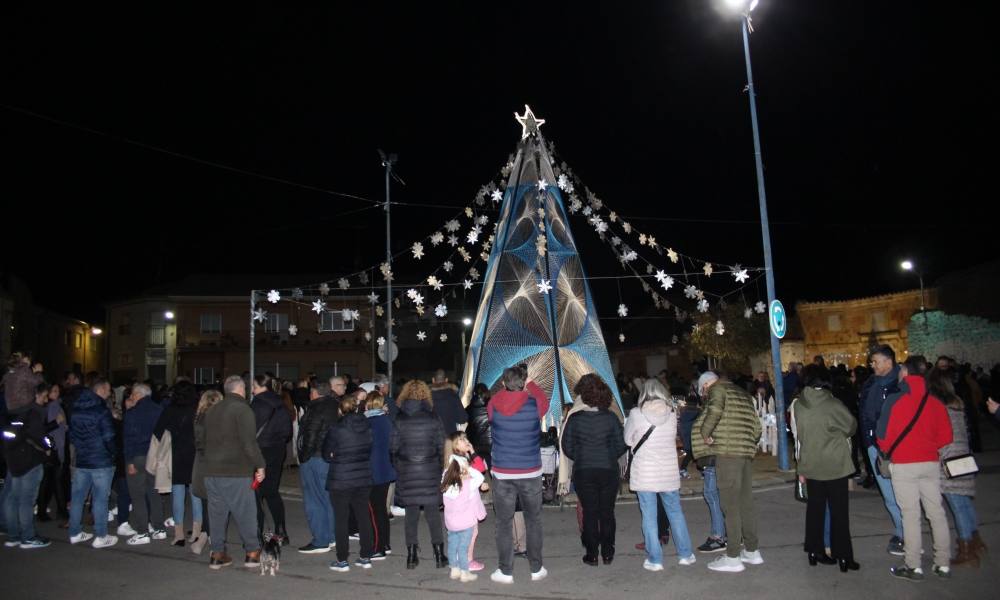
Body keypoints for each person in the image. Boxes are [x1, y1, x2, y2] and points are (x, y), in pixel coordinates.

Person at [878, 367, 953, 581]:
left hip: (904, 464)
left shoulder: (894, 401)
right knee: (936, 513)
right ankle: (943, 563)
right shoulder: (935, 403)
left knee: (910, 515)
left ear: (905, 376)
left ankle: (913, 565)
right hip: (930, 462)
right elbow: (946, 437)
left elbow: (882, 436)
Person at [692, 371, 763, 573]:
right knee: (745, 503)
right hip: (745, 454)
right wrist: (748, 442)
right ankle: (751, 551)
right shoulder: (742, 393)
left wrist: (705, 434)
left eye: (703, 391)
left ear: (706, 385)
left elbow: (714, 411)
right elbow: (757, 428)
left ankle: (732, 557)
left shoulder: (718, 389)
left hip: (727, 453)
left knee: (729, 506)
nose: (705, 395)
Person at [194, 377, 266, 570]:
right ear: (241, 389)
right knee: (246, 512)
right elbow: (249, 443)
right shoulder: (243, 410)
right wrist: (260, 465)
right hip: (235, 471)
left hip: (211, 471)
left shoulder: (212, 410)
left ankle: (217, 554)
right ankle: (252, 552)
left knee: (217, 514)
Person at [792, 365, 859, 572]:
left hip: (811, 463)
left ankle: (814, 550)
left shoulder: (798, 405)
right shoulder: (832, 404)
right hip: (834, 464)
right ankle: (844, 556)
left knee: (815, 510)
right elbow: (850, 426)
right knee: (839, 512)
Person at [625, 378, 696, 572]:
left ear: (643, 393)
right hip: (667, 472)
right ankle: (686, 554)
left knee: (649, 515)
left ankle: (655, 559)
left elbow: (628, 439)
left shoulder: (636, 414)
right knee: (675, 512)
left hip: (645, 473)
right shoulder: (672, 413)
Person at [488, 365, 549, 584]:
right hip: (530, 471)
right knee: (534, 520)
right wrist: (530, 382)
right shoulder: (534, 405)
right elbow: (544, 399)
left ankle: (505, 571)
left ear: (503, 383)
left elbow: (493, 408)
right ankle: (536, 568)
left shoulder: (493, 403)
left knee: (503, 523)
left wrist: (506, 387)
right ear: (523, 383)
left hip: (503, 472)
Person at [561, 373, 627, 567]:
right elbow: (621, 445)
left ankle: (592, 554)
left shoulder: (575, 418)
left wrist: (580, 456)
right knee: (607, 512)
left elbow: (567, 446)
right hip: (608, 469)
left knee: (590, 512)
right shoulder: (610, 418)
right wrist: (608, 455)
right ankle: (608, 552)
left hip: (584, 469)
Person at [390, 380, 446, 570]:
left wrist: (400, 466)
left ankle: (411, 556)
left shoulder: (399, 418)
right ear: (425, 394)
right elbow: (441, 446)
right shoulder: (433, 417)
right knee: (433, 514)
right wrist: (438, 467)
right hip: (429, 469)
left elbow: (393, 448)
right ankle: (439, 555)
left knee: (411, 515)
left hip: (407, 470)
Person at [935, 370, 984, 567]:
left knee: (957, 506)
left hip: (949, 462)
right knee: (965, 503)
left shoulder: (940, 408)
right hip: (963, 458)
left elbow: (942, 438)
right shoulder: (957, 404)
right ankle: (975, 540)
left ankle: (966, 550)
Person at [860, 346, 905, 555]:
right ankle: (901, 532)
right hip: (875, 447)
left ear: (889, 362)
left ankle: (907, 536)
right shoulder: (871, 384)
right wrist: (869, 442)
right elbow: (865, 413)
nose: (872, 365)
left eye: (875, 361)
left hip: (898, 447)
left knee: (904, 493)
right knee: (888, 494)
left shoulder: (903, 384)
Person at [324, 395, 375, 572]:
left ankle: (342, 559)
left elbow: (326, 453)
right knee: (363, 516)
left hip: (341, 478)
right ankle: (366, 556)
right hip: (362, 476)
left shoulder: (336, 428)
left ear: (341, 410)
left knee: (341, 519)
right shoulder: (367, 425)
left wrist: (334, 454)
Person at [67, 378, 119, 548]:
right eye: (108, 390)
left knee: (77, 498)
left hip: (82, 460)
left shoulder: (75, 409)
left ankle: (74, 532)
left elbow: (72, 435)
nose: (110, 393)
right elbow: (109, 436)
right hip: (101, 461)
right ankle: (101, 536)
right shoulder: (101, 410)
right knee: (100, 499)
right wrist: (113, 454)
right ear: (101, 390)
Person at [2, 382, 54, 548]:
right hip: (29, 460)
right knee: (26, 500)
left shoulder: (12, 410)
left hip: (14, 459)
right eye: (45, 396)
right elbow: (39, 435)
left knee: (13, 498)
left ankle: (13, 535)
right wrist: (48, 446)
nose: (46, 401)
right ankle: (28, 536)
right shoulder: (33, 412)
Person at [153, 380, 203, 548]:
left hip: (175, 456)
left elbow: (158, 432)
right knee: (196, 494)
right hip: (194, 456)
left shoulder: (169, 410)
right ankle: (196, 532)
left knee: (177, 495)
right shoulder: (196, 410)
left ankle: (179, 534)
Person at [295, 379, 339, 554]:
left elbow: (310, 434)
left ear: (314, 392)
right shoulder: (336, 405)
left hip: (315, 458)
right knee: (328, 498)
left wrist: (303, 457)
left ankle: (321, 540)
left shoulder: (315, 408)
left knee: (314, 500)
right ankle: (332, 536)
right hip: (330, 457)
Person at [251, 374, 293, 544]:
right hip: (277, 450)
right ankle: (281, 531)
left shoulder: (256, 404)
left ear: (262, 386)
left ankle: (257, 534)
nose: (252, 388)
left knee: (256, 493)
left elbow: (249, 430)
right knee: (272, 492)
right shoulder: (281, 404)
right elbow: (288, 432)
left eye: (254, 385)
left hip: (259, 451)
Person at [122, 383, 166, 545]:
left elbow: (128, 438)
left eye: (133, 393)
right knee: (154, 492)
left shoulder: (132, 413)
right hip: (155, 456)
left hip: (138, 456)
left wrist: (129, 461)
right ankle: (159, 528)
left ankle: (143, 531)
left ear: (139, 394)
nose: (131, 397)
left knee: (138, 495)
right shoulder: (159, 410)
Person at [445, 430, 489, 571]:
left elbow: (479, 469)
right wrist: (479, 482)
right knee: (470, 533)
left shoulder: (459, 460)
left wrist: (472, 451)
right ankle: (467, 561)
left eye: (465, 438)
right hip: (466, 506)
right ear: (455, 446)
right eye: (462, 440)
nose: (466, 441)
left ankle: (458, 560)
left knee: (460, 535)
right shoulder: (458, 463)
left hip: (461, 506)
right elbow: (473, 477)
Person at [441, 454, 486, 583]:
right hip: (466, 524)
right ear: (463, 469)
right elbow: (480, 476)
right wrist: (469, 468)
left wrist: (452, 464)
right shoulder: (468, 484)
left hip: (451, 523)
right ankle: (464, 572)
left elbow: (445, 472)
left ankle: (454, 569)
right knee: (463, 548)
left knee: (452, 545)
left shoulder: (446, 485)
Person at [364, 391, 396, 559]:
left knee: (374, 511)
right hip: (385, 470)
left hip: (372, 472)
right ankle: (384, 543)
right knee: (381, 510)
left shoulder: (370, 422)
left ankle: (378, 547)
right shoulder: (386, 421)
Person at [35, 383, 69, 524]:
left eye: (58, 391)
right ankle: (59, 512)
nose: (56, 393)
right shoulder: (48, 407)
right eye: (53, 391)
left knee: (50, 482)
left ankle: (45, 511)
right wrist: (57, 422)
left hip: (54, 448)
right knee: (54, 482)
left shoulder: (56, 406)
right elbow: (42, 429)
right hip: (51, 449)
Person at [430, 369, 467, 435]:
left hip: (432, 437)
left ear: (433, 380)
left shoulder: (426, 397)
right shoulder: (453, 396)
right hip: (450, 437)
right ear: (446, 380)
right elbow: (462, 419)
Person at [466, 383, 492, 467]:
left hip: (475, 442)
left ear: (474, 393)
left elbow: (464, 419)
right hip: (491, 441)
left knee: (477, 467)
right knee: (492, 466)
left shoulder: (469, 408)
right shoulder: (493, 404)